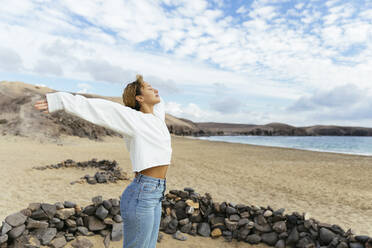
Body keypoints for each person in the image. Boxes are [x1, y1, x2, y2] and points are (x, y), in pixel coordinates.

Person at [33, 74, 172, 248]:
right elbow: (102, 109)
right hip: (142, 194)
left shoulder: (157, 119)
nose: (156, 90)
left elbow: (161, 103)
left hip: (156, 193)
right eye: (150, 88)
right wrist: (61, 100)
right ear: (139, 98)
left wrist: (150, 88)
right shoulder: (133, 120)